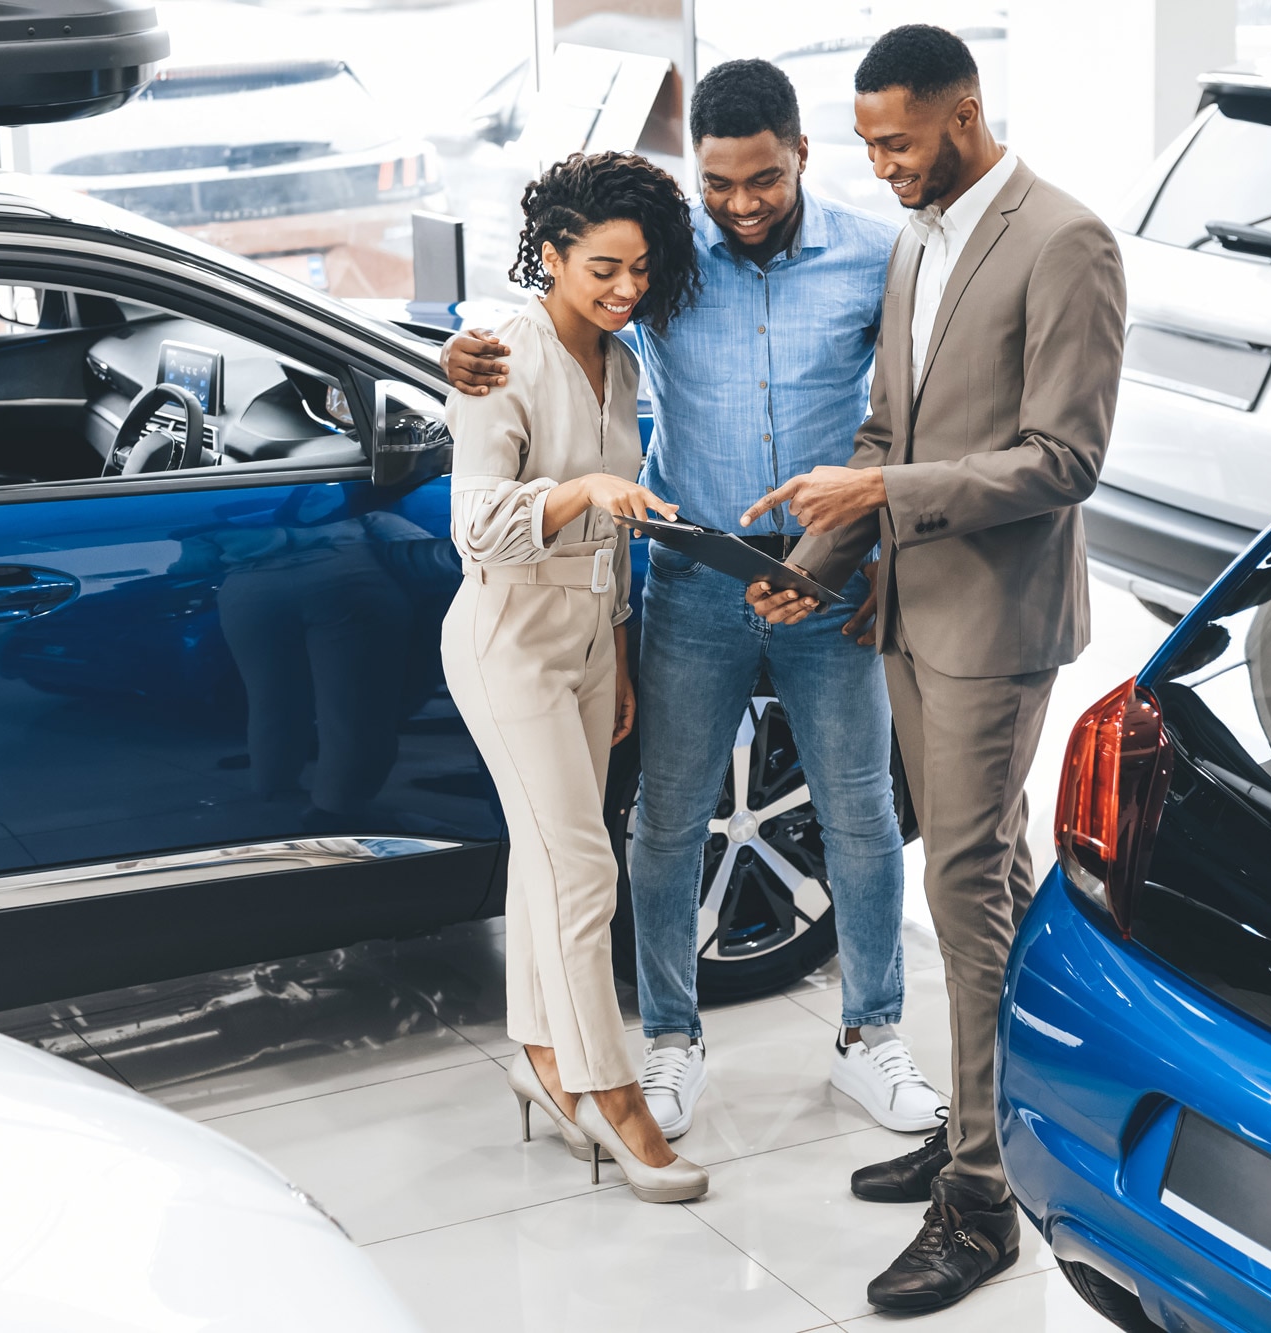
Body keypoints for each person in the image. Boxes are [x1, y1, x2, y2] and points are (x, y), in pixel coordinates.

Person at [442, 60, 945, 1143]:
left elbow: (901, 421)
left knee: (858, 812)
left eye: (761, 178)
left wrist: (849, 551)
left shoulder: (876, 257)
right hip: (689, 575)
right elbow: (559, 308)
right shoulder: (665, 268)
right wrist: (458, 347)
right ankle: (671, 1041)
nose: (742, 203)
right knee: (664, 822)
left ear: (801, 152)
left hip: (825, 575)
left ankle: (871, 1036)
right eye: (719, 183)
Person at [741, 25, 1127, 1313]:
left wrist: (883, 489)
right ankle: (991, 1117)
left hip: (993, 626)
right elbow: (882, 429)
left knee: (961, 885)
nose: (880, 166)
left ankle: (982, 1197)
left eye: (896, 143)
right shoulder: (920, 235)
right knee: (989, 878)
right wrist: (815, 562)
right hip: (905, 609)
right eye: (865, 147)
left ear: (964, 112)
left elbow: (1061, 461)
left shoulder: (1063, 240)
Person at [441, 150, 709, 1204]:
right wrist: (579, 487)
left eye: (640, 269)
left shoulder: (623, 361)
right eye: (602, 266)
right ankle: (607, 1088)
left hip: (593, 638)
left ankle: (540, 1057)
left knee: (544, 859)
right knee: (583, 869)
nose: (625, 288)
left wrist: (624, 652)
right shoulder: (502, 355)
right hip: (509, 637)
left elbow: (618, 537)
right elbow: (477, 527)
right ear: (548, 252)